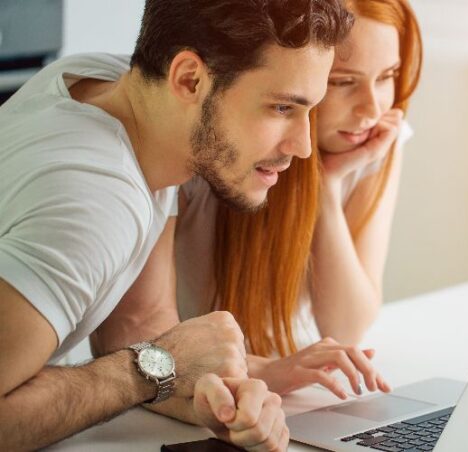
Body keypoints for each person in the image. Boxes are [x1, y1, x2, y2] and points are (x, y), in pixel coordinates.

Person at [0, 1, 354, 450]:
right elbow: (146, 355)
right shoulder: (97, 201)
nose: (303, 146)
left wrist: (202, 395)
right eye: (282, 107)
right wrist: (153, 367)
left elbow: (135, 324)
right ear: (189, 79)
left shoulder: (100, 84)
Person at [173, 0, 422, 398]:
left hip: (280, 389)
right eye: (343, 82)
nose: (372, 109)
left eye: (387, 76)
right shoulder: (208, 150)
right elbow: (145, 335)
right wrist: (266, 370)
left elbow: (347, 327)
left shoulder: (375, 142)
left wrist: (326, 187)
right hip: (194, 390)